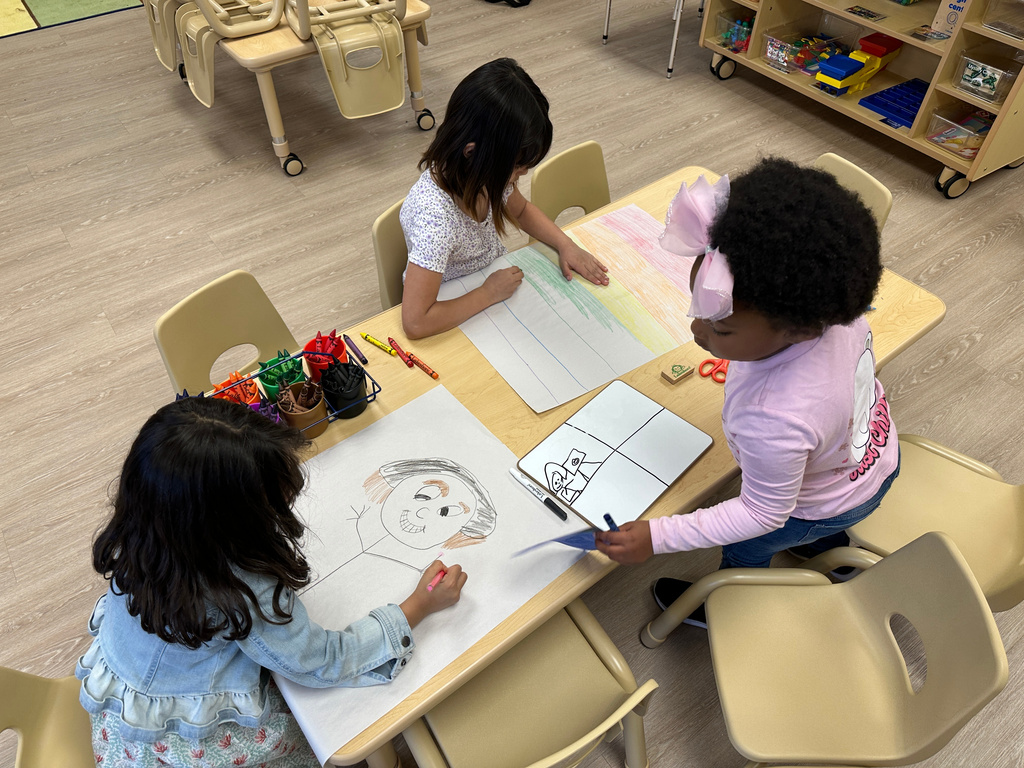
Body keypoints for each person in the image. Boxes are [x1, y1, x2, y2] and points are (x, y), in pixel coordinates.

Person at [76, 397, 467, 767]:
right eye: (271, 499)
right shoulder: (242, 589)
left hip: (125, 718)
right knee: (319, 729)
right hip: (192, 747)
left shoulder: (145, 532)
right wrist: (418, 606)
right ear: (232, 520)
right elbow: (322, 661)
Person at [595, 157, 900, 626]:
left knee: (746, 543)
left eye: (721, 327)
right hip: (874, 461)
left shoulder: (772, 416)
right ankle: (828, 544)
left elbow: (761, 514)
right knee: (810, 519)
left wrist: (657, 537)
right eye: (699, 306)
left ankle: (730, 604)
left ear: (797, 329)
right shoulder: (835, 307)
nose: (695, 329)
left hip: (820, 498)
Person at [400, 57, 609, 340]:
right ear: (473, 153)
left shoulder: (482, 175)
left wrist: (565, 244)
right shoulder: (436, 220)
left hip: (488, 283)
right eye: (517, 168)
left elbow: (521, 211)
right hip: (452, 304)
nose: (518, 177)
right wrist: (487, 294)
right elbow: (415, 322)